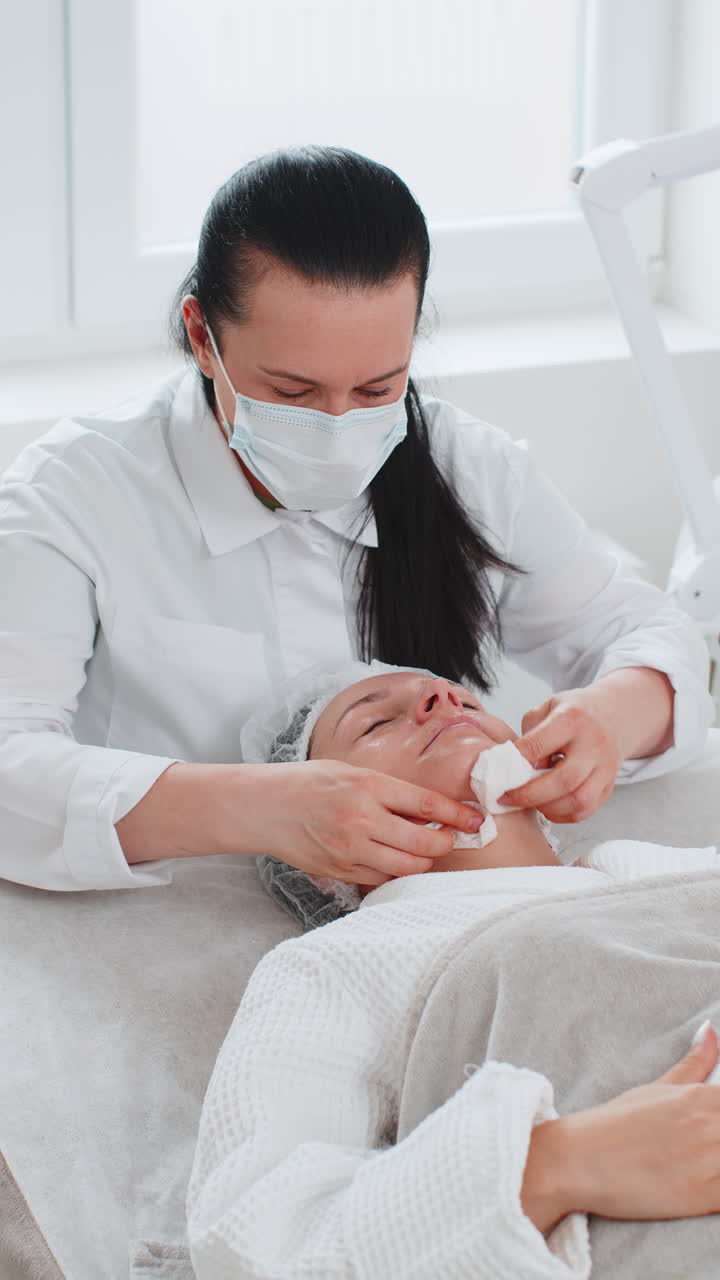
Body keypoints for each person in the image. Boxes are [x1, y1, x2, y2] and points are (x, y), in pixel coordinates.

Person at [0, 144, 714, 892]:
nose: (339, 428)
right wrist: (256, 808)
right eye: (293, 393)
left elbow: (645, 632)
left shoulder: (472, 469)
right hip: (178, 916)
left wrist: (612, 715)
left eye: (377, 389)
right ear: (203, 337)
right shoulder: (73, 494)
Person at [186, 661, 720, 1280]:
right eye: (374, 722)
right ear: (318, 863)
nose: (441, 695)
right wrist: (557, 1166)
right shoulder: (342, 962)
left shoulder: (679, 871)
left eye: (464, 700)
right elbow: (256, 1236)